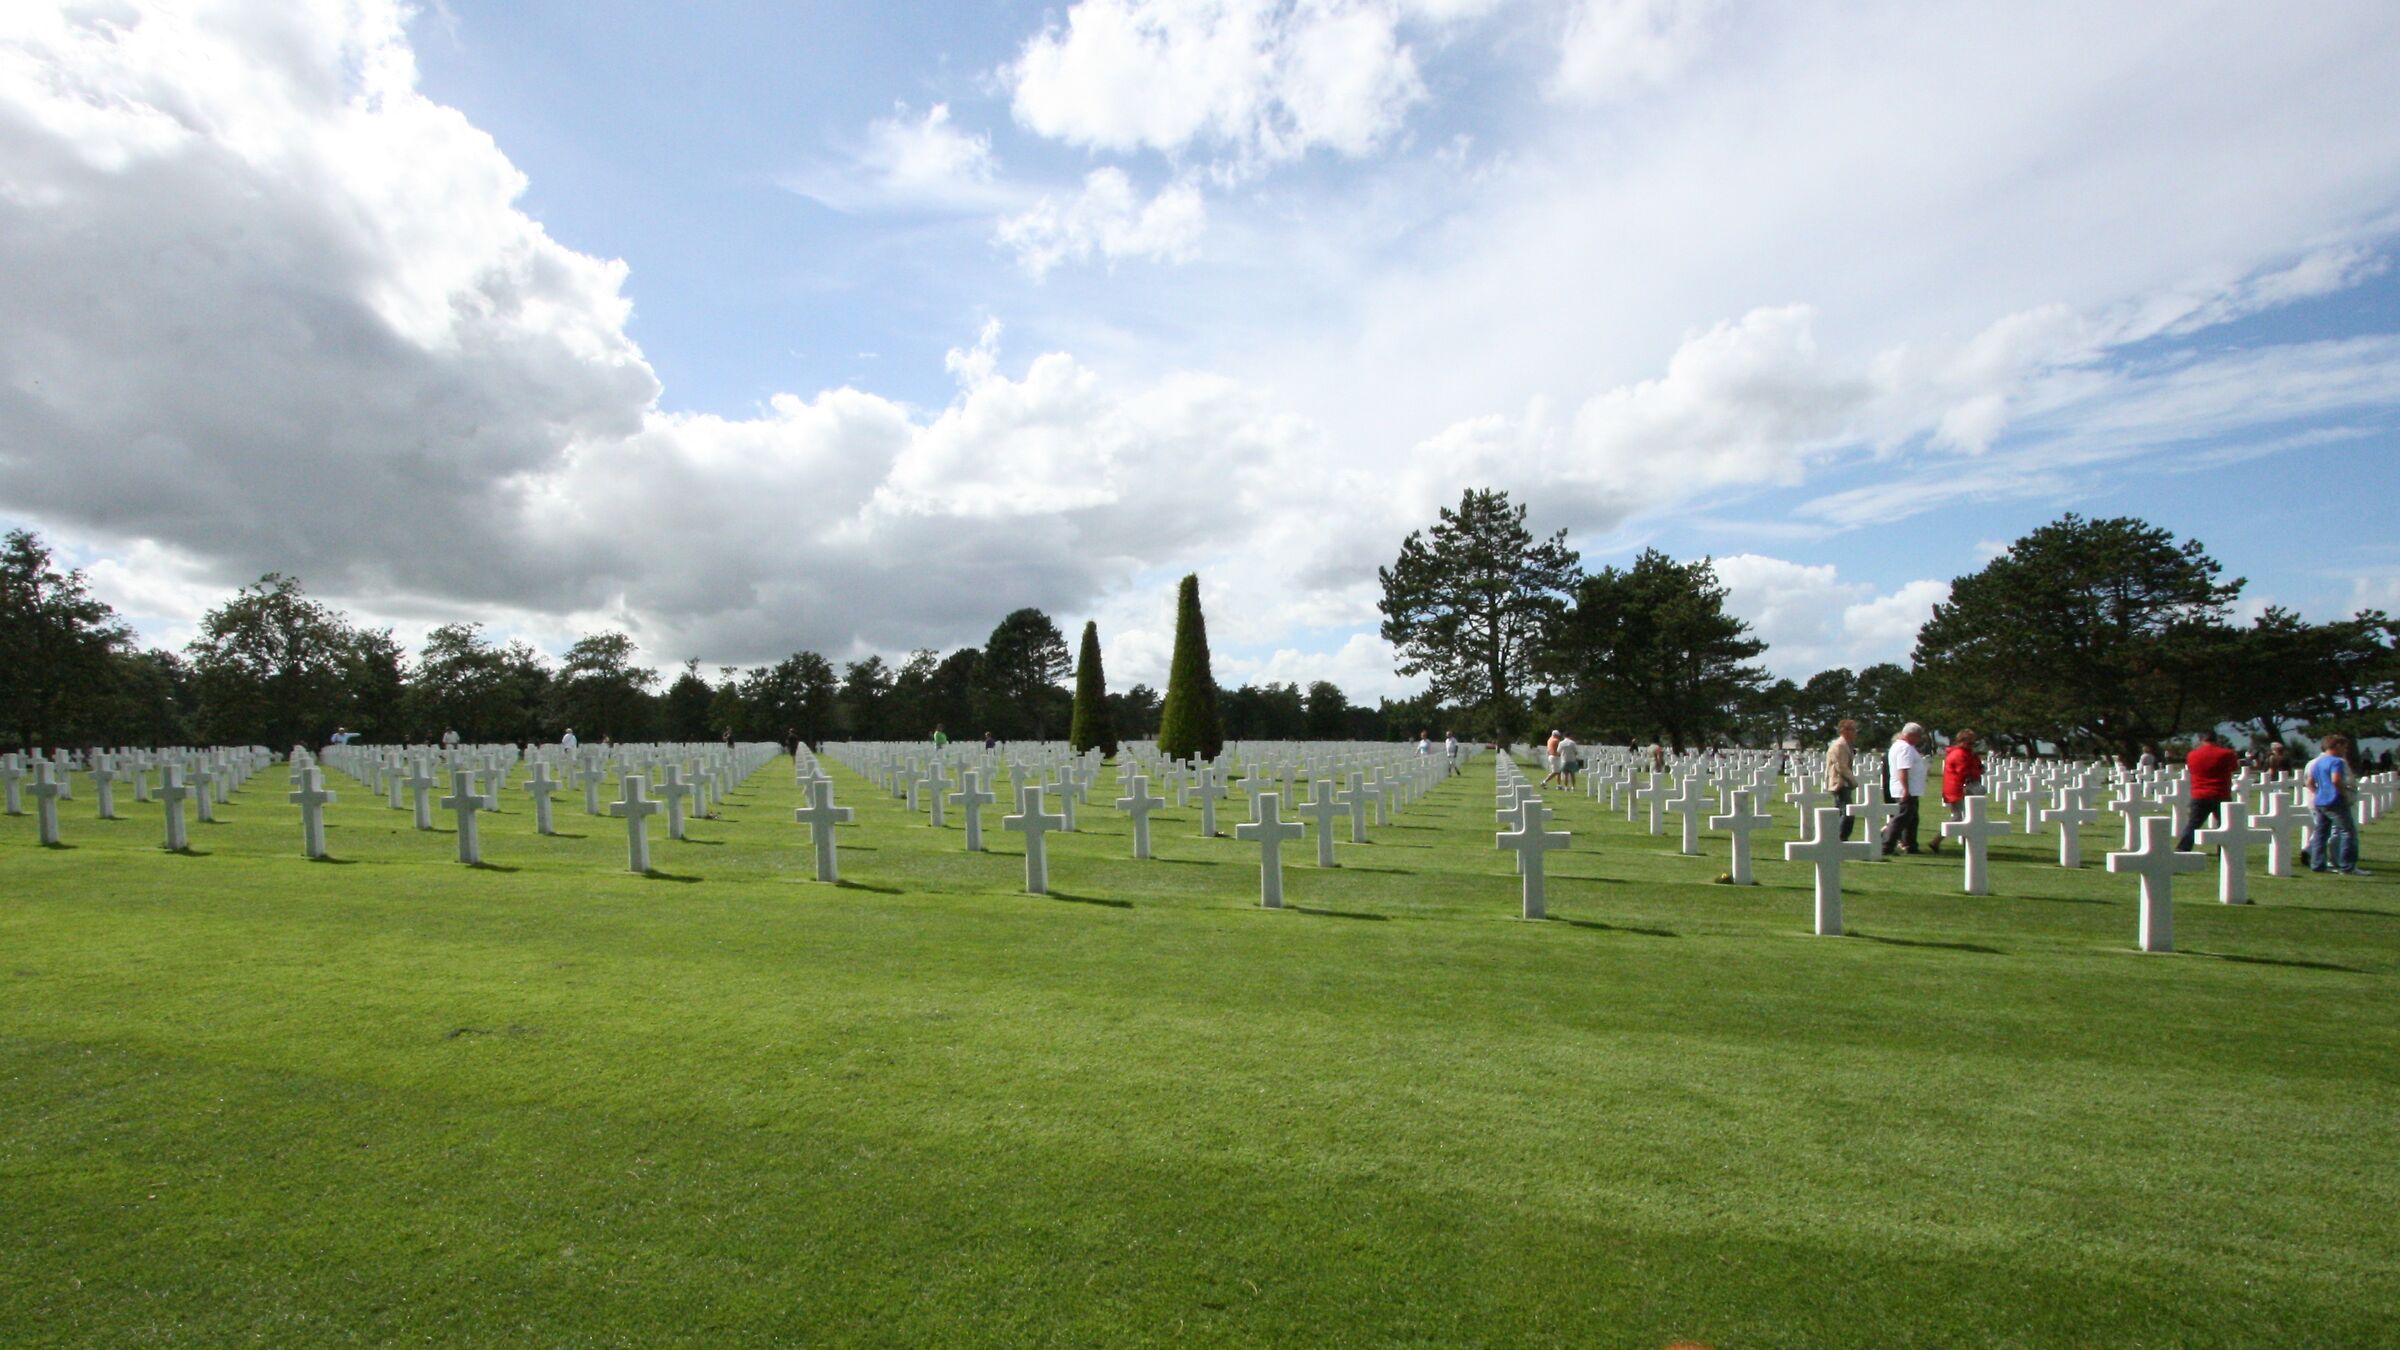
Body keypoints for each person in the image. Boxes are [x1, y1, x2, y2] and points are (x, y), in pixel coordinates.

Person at [2306, 734, 2368, 875]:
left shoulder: (2317, 762)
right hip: (2335, 801)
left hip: (2320, 801)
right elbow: (2336, 780)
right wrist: (2344, 794)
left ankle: (2317, 864)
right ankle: (2348, 866)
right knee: (2348, 832)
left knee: (2321, 833)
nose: (2345, 750)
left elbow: (2309, 782)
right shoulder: (2337, 762)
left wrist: (2318, 792)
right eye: (2344, 747)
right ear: (2337, 746)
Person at [2179, 730, 2238, 851]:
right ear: (2216, 739)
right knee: (2225, 827)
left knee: (2193, 825)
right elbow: (2234, 767)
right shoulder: (2227, 753)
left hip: (2200, 794)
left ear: (2201, 740)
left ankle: (2183, 849)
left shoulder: (2192, 755)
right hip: (2221, 793)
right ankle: (2224, 851)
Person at [1932, 729, 1983, 853]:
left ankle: (1938, 841)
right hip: (1958, 789)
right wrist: (1977, 772)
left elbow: (1975, 766)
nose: (1972, 745)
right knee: (1961, 818)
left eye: (1973, 743)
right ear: (1961, 741)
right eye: (1969, 743)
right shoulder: (1959, 754)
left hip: (1960, 788)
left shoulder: (1967, 753)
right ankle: (1938, 841)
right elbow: (1964, 772)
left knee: (1963, 818)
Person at [1881, 722, 1929, 856]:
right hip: (1907, 789)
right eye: (1918, 737)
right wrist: (1906, 789)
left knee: (1912, 819)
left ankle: (1911, 845)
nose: (1919, 740)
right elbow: (1903, 769)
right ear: (1911, 735)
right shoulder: (1905, 748)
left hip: (1911, 789)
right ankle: (1886, 845)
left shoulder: (1900, 746)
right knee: (1901, 818)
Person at [1824, 718, 1860, 841]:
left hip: (1844, 783)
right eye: (1853, 729)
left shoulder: (1846, 745)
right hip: (1840, 783)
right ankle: (1840, 838)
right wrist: (1853, 781)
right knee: (1846, 812)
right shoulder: (1839, 745)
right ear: (1844, 731)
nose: (1855, 732)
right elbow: (1841, 766)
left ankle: (1839, 837)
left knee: (1842, 811)